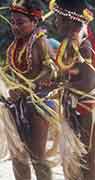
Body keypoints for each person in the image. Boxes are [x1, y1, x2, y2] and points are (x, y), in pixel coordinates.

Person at [48, 0, 95, 179]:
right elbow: (70, 73)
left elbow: (88, 81)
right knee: (77, 158)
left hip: (91, 108)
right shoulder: (67, 45)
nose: (55, 22)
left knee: (88, 159)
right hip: (76, 105)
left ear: (71, 22)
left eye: (58, 19)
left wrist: (62, 86)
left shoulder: (83, 47)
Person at [1, 0, 58, 179]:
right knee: (18, 156)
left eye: (20, 22)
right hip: (17, 105)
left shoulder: (41, 42)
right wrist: (12, 89)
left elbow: (52, 71)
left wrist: (27, 87)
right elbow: (13, 75)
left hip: (38, 103)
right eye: (13, 22)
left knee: (37, 156)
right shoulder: (14, 46)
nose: (15, 27)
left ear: (34, 22)